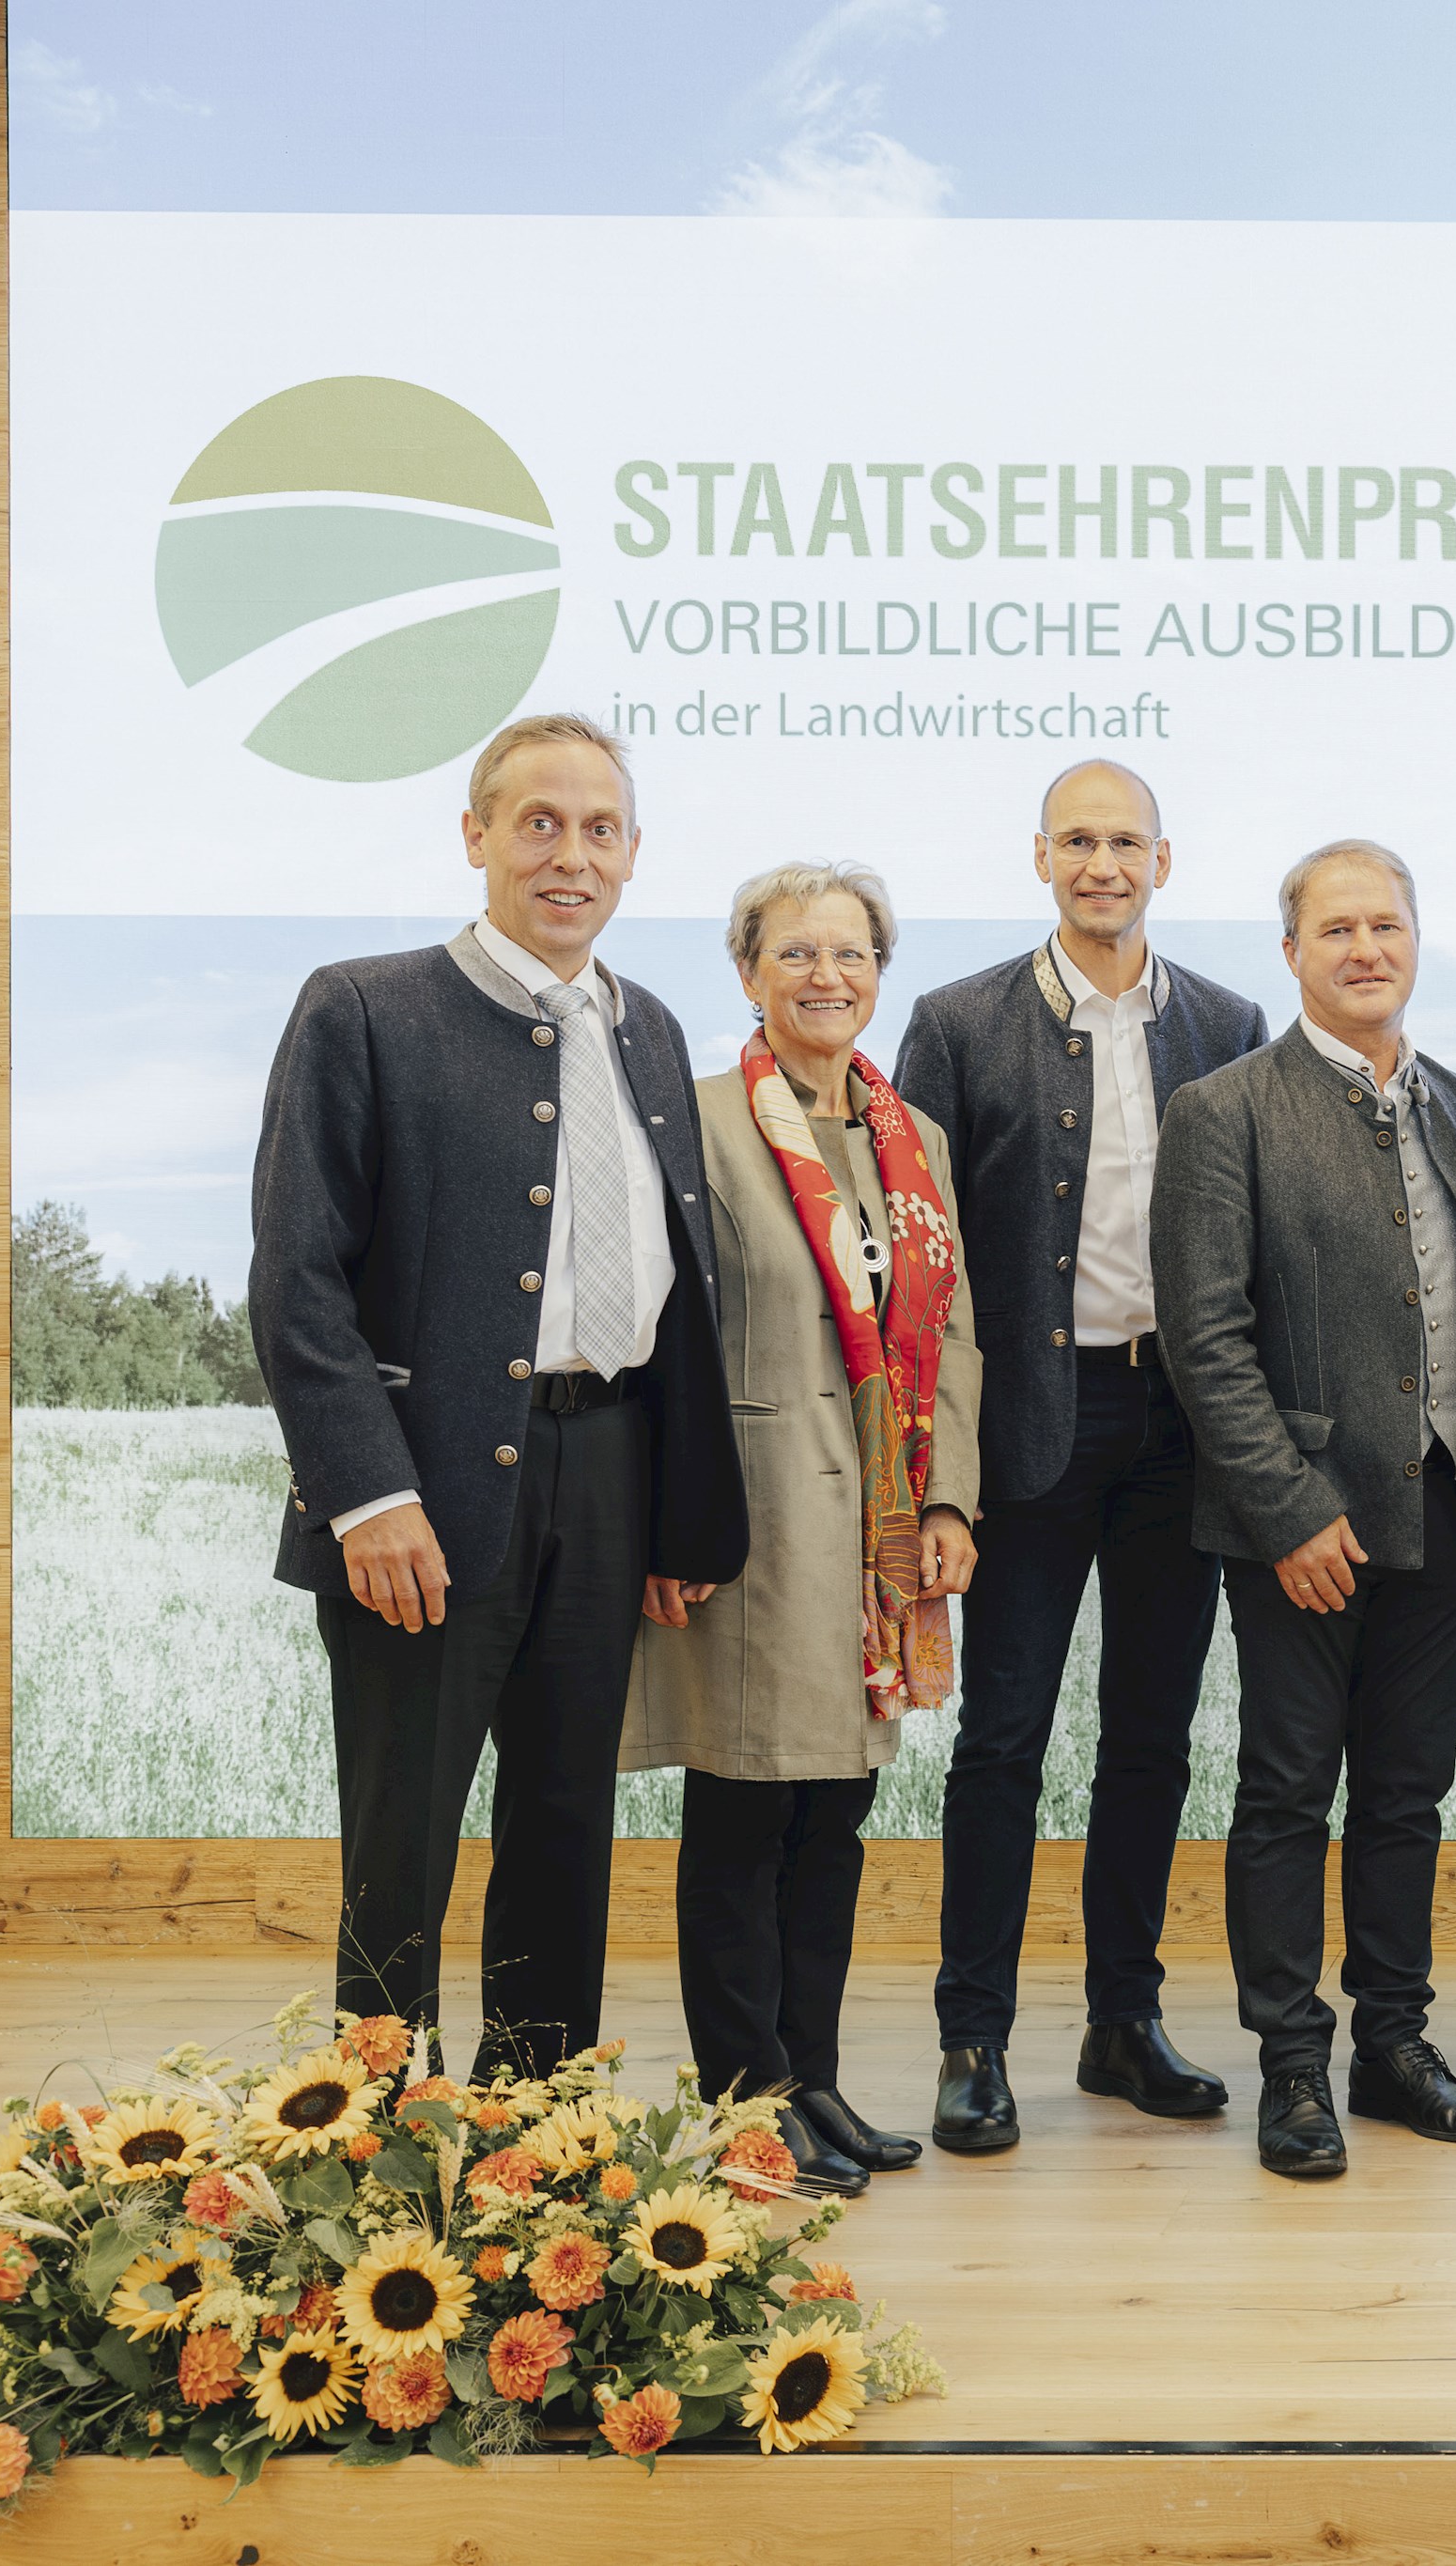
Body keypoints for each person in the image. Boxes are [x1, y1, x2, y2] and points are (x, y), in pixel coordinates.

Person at [248, 712, 746, 2080]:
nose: (568, 855)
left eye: (598, 830)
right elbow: (298, 1283)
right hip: (425, 1489)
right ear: (475, 835)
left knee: (566, 1823)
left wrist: (672, 1519)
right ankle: (368, 2142)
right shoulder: (361, 1008)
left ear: (634, 855)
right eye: (539, 823)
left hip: (610, 1474)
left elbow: (672, 1283)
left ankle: (531, 2132)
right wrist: (369, 1494)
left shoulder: (648, 1026)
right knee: (401, 1839)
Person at [892, 759, 1267, 2154]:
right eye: (1079, 842)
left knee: (1151, 1745)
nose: (1103, 864)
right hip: (1029, 1436)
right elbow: (924, 1264)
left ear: (1164, 863)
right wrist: (936, 1468)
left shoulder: (1229, 1021)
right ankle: (972, 2039)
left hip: (1181, 1430)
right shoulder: (956, 1022)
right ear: (1041, 858)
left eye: (1128, 843)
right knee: (1003, 1740)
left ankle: (1124, 2024)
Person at [1154, 839, 1456, 2180]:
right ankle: (1293, 2065)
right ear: (1294, 953)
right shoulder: (1226, 1109)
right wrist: (1287, 1510)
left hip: (1443, 1510)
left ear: (1417, 941)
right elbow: (1206, 1337)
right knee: (1286, 1793)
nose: (1365, 949)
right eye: (1337, 930)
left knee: (1409, 1795)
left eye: (1386, 926)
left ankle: (1393, 2049)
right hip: (1300, 1525)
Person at [623, 863, 983, 2198]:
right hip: (753, 1527)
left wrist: (949, 1500)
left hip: (881, 1541)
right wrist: (669, 1524)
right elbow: (660, 1344)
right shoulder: (702, 1123)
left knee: (833, 1821)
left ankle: (812, 2077)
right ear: (748, 972)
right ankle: (743, 2107)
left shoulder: (915, 1138)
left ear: (882, 971)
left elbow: (952, 1333)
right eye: (796, 954)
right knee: (743, 1819)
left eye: (852, 954)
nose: (826, 976)